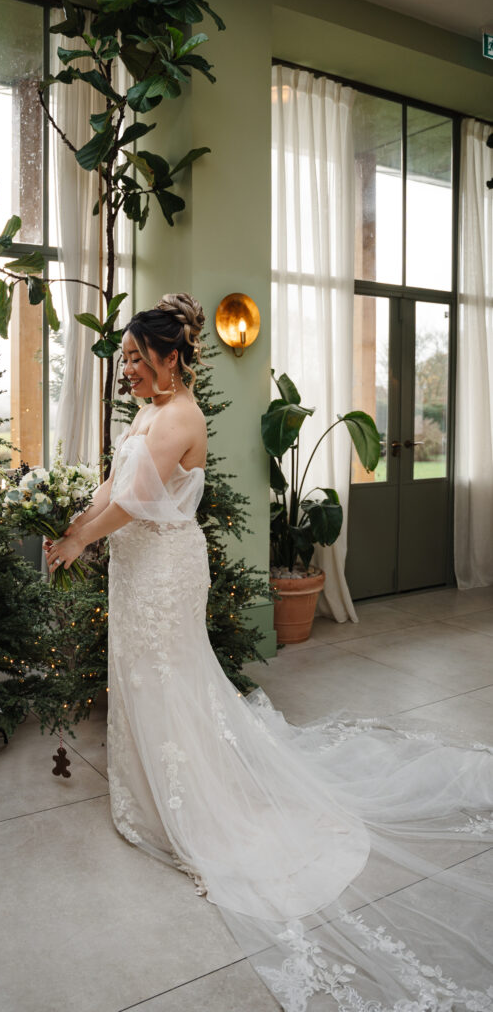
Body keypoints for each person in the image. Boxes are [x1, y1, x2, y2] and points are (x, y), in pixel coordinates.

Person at [45, 293, 493, 1011]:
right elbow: (114, 484)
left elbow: (134, 503)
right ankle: (150, 791)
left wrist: (77, 540)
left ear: (171, 357)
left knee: (167, 677)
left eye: (135, 357)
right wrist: (79, 513)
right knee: (136, 674)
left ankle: (190, 807)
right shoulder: (148, 411)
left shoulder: (182, 416)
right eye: (124, 358)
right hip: (135, 567)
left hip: (162, 566)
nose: (125, 369)